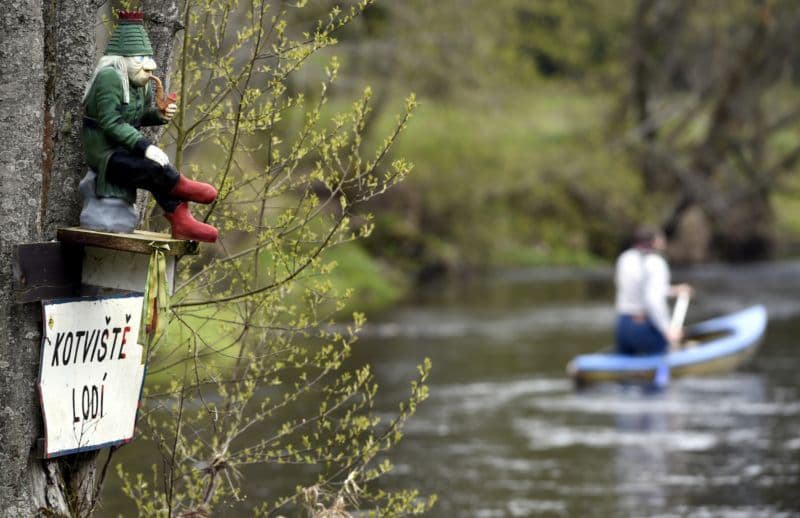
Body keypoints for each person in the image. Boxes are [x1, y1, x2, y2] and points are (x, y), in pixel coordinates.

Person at [82, 10, 218, 242]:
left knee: (156, 168)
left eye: (148, 58)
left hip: (124, 147)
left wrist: (159, 115)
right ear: (122, 59)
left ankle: (181, 220)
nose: (149, 65)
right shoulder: (110, 78)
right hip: (104, 153)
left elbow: (139, 115)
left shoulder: (138, 82)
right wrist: (145, 147)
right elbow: (111, 122)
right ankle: (179, 190)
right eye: (140, 59)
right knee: (154, 169)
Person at [614, 226, 691, 356]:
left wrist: (673, 290)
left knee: (625, 367)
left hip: (623, 325)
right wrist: (668, 329)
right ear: (654, 241)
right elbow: (653, 300)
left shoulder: (625, 258)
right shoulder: (656, 263)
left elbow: (638, 288)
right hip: (643, 327)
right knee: (666, 354)